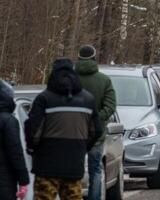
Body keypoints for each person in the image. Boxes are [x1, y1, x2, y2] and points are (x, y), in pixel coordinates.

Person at [25, 58, 103, 200]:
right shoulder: (87, 99)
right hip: (74, 164)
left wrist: (33, 148)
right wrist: (83, 147)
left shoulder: (44, 98)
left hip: (46, 166)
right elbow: (97, 130)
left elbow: (33, 129)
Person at [75, 45, 117, 200]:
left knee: (73, 171)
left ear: (78, 58)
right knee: (96, 170)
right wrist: (96, 119)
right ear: (94, 58)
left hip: (73, 133)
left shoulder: (70, 80)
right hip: (96, 134)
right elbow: (111, 105)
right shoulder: (104, 80)